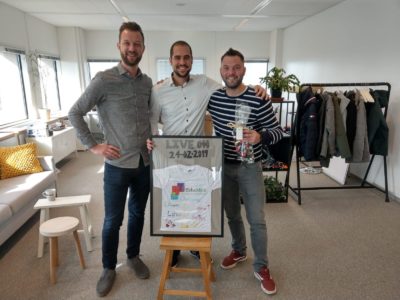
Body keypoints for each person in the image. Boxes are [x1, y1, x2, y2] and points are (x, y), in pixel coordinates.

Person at [148, 40, 267, 267]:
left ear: (192, 60)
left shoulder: (205, 84)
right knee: (174, 203)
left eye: (186, 58)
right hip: (171, 160)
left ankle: (193, 246)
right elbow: (152, 122)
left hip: (198, 158)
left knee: (193, 202)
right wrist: (151, 141)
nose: (182, 62)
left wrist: (256, 88)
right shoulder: (158, 91)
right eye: (177, 58)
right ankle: (174, 250)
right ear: (171, 60)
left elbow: (232, 85)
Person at [68, 22, 152, 297]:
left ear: (143, 47)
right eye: (127, 43)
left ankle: (133, 256)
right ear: (119, 46)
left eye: (137, 43)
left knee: (138, 214)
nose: (132, 48)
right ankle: (108, 268)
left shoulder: (147, 82)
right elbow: (75, 113)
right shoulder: (103, 80)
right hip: (116, 166)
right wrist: (93, 146)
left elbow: (147, 119)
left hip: (143, 163)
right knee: (112, 220)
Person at [207, 48, 284, 295]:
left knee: (257, 219)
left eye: (236, 67)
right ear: (220, 71)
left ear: (244, 70)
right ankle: (239, 250)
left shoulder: (258, 97)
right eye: (227, 68)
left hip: (250, 167)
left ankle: (261, 266)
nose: (231, 72)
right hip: (224, 166)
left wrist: (260, 136)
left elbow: (278, 132)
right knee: (232, 214)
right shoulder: (214, 98)